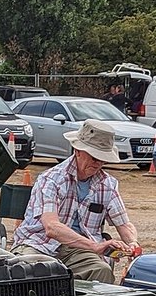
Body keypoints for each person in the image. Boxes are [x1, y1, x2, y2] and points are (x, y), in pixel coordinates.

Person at [11, 119, 138, 284]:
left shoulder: (108, 184)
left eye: (103, 159)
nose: (98, 163)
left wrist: (132, 243)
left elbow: (124, 224)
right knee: (29, 272)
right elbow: (51, 227)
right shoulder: (51, 179)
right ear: (78, 151)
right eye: (94, 157)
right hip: (38, 244)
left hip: (80, 249)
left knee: (101, 270)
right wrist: (95, 246)